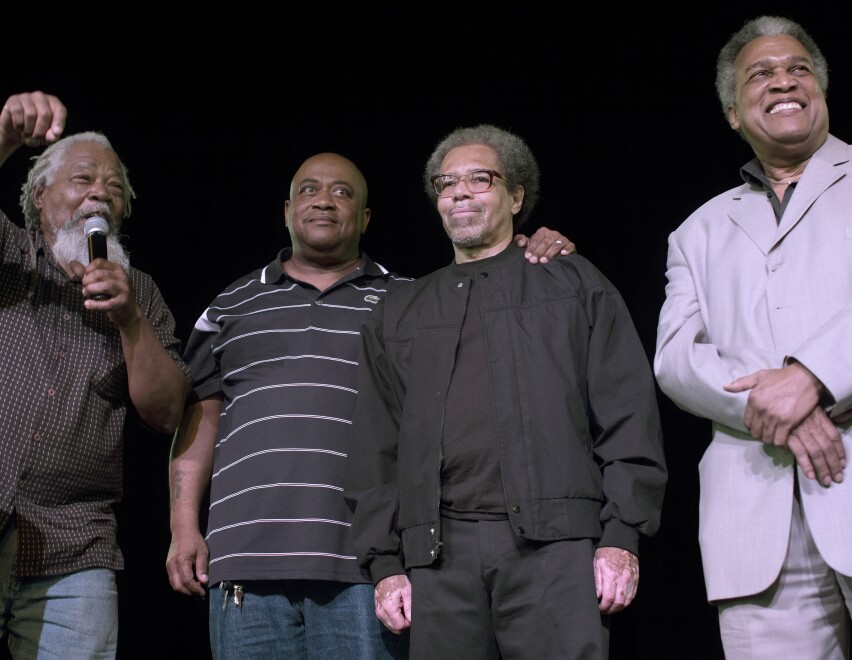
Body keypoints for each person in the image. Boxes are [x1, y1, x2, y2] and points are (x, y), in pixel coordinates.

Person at [164, 150, 575, 659]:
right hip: (246, 564)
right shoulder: (230, 304)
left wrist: (528, 249)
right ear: (287, 208)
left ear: (365, 218)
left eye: (343, 192)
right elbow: (199, 414)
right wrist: (184, 526)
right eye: (310, 190)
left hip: (367, 568)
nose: (324, 201)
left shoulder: (410, 301)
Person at [343, 124, 667, 659]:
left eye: (479, 179)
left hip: (555, 549)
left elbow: (629, 416)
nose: (460, 192)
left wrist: (620, 537)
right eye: (446, 183)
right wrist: (385, 566)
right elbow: (375, 449)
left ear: (516, 196)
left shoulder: (572, 283)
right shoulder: (399, 312)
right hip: (437, 558)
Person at [654, 15, 852, 659]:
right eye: (761, 73)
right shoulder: (696, 231)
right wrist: (771, 408)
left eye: (798, 68)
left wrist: (811, 379)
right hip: (754, 514)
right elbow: (675, 360)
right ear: (733, 112)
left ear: (823, 93)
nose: (783, 80)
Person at [0, 91, 190, 658]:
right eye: (82, 179)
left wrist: (130, 321)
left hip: (73, 547)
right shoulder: (10, 252)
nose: (98, 195)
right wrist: (6, 137)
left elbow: (167, 413)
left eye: (113, 188)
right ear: (40, 197)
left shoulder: (144, 294)